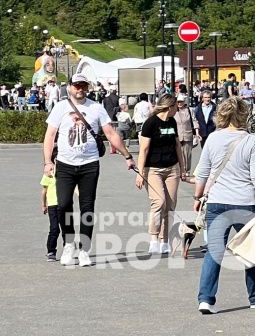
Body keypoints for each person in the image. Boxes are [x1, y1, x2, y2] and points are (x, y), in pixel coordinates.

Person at [42, 72, 136, 267]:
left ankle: (84, 249)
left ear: (88, 87)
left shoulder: (96, 108)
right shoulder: (60, 108)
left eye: (83, 85)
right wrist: (48, 162)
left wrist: (127, 156)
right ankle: (68, 244)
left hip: (89, 164)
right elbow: (50, 136)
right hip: (65, 164)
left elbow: (110, 133)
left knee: (87, 207)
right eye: (77, 85)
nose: (80, 89)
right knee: (63, 205)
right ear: (69, 87)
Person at [192, 97, 255, 314]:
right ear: (244, 116)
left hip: (217, 201)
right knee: (251, 251)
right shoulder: (251, 141)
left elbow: (203, 172)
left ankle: (206, 299)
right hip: (244, 202)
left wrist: (198, 196)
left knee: (214, 251)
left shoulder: (212, 139)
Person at [136, 94, 188, 255]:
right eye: (176, 107)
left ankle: (164, 240)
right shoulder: (150, 123)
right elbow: (143, 150)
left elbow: (177, 145)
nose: (177, 109)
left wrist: (183, 167)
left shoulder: (172, 122)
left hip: (172, 168)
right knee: (159, 202)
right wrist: (139, 172)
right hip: (153, 169)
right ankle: (153, 239)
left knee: (170, 206)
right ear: (169, 106)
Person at [40, 167, 60, 261]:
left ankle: (69, 250)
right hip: (52, 205)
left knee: (67, 228)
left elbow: (75, 187)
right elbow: (44, 191)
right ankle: (51, 251)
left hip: (65, 204)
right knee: (54, 228)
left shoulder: (66, 172)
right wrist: (44, 205)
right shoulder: (48, 174)